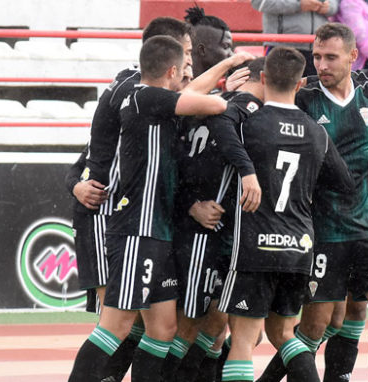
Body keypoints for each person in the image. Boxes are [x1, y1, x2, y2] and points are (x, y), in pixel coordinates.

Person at [259, 23, 368, 382]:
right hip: (323, 231)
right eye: (317, 56)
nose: (321, 64)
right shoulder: (303, 100)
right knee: (316, 327)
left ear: (353, 56)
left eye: (330, 57)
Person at [67, 35, 228, 382]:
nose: (186, 72)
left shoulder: (149, 97)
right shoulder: (143, 96)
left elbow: (191, 92)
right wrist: (231, 81)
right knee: (116, 326)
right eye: (183, 66)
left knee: (163, 328)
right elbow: (214, 106)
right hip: (137, 229)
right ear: (171, 70)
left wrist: (227, 65)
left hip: (158, 231)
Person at [219, 45, 353, 382]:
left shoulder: (250, 123)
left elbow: (219, 131)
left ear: (262, 78)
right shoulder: (316, 131)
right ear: (300, 84)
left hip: (256, 244)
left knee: (244, 340)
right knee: (283, 334)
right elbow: (344, 184)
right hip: (297, 246)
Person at [165, 58, 266, 382]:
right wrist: (191, 205)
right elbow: (173, 172)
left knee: (219, 323)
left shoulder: (249, 115)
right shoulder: (217, 113)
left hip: (231, 235)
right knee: (188, 323)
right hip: (199, 234)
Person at [251, 0, 339, 76]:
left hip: (317, 48)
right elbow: (260, 3)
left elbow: (335, 4)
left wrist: (329, 6)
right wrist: (298, 5)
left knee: (315, 91)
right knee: (280, 90)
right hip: (281, 47)